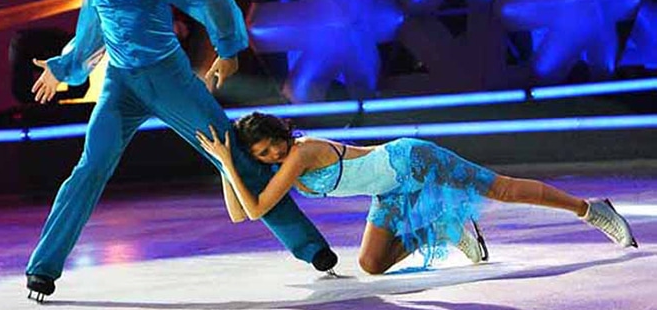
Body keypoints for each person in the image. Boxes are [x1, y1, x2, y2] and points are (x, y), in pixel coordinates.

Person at [25, 0, 335, 303]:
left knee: (232, 154)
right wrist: (63, 68)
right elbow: (92, 32)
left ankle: (311, 247)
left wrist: (228, 48)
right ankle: (43, 269)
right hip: (120, 85)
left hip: (167, 79)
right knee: (89, 168)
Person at [197, 112, 639, 275]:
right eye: (263, 154)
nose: (273, 153)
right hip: (390, 192)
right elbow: (240, 213)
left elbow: (255, 209)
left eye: (273, 144)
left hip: (409, 160)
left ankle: (589, 209)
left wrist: (231, 163)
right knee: (371, 265)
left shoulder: (300, 153)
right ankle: (444, 228)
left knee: (501, 188)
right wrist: (224, 164)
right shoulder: (281, 169)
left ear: (281, 134)